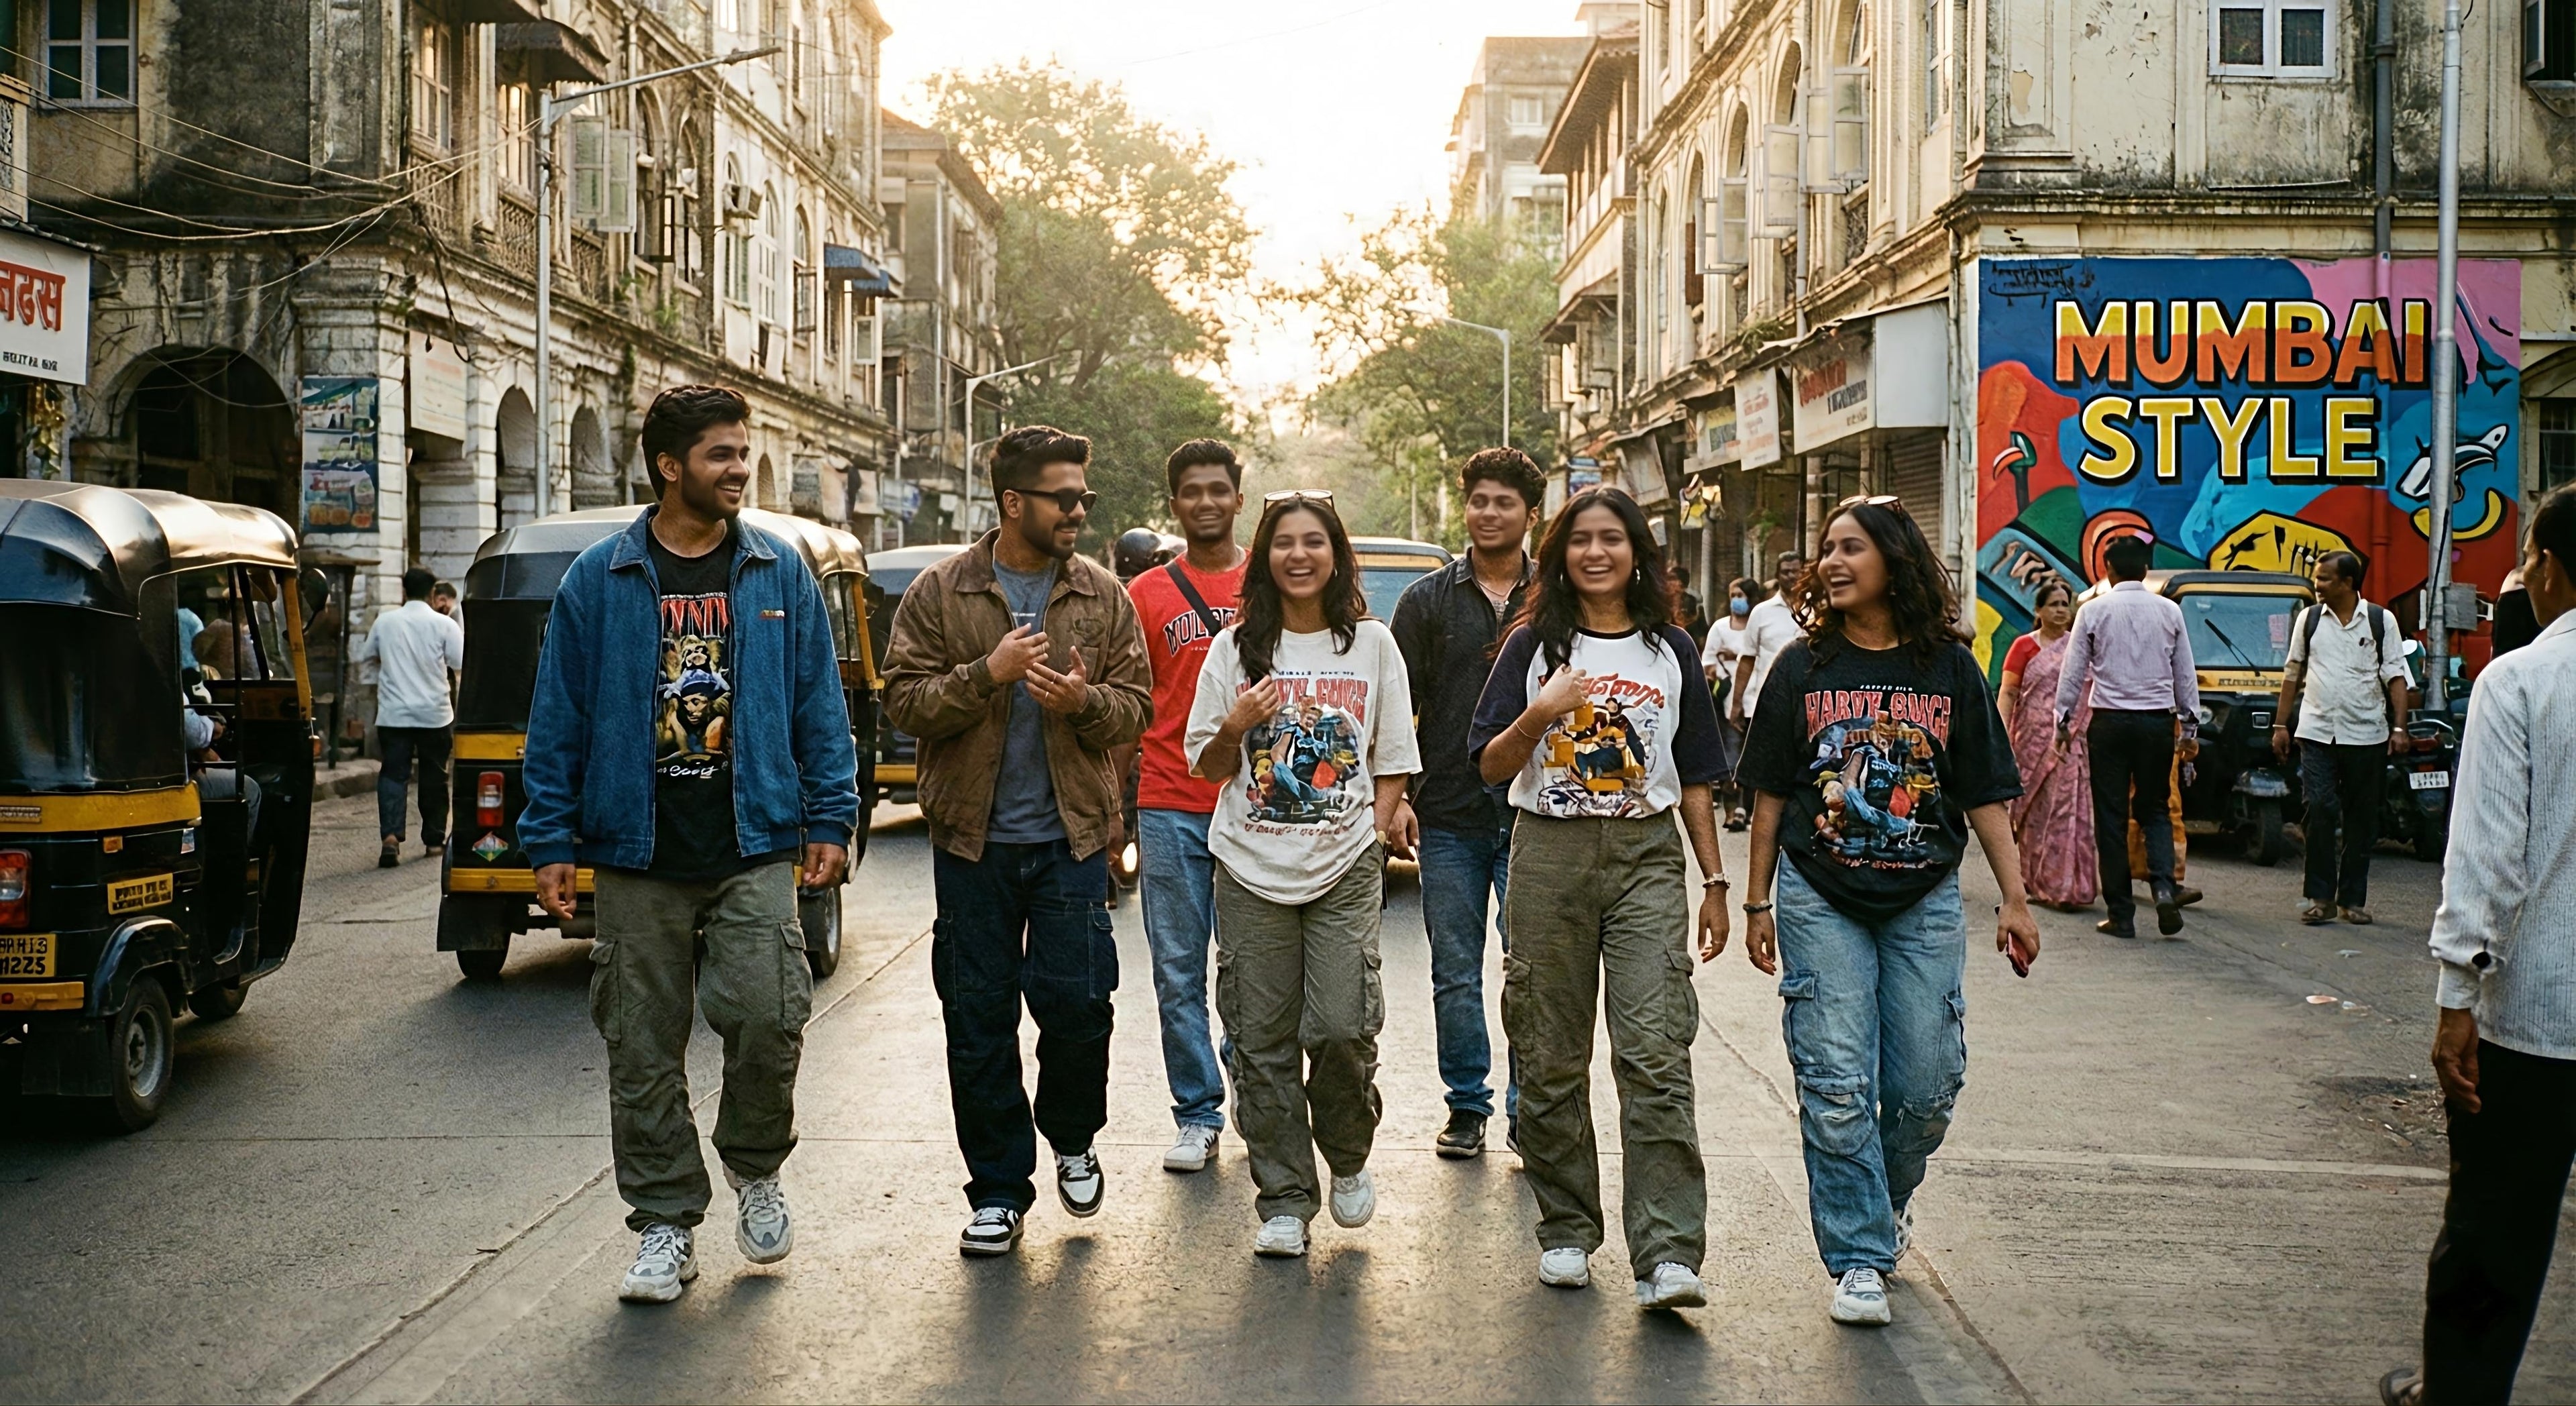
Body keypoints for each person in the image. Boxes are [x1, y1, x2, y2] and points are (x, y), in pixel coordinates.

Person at [519, 384, 858, 1304]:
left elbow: (818, 705)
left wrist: (830, 816)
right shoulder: (601, 577)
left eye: (743, 454)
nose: (739, 469)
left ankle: (754, 1165)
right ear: (670, 467)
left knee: (767, 1013)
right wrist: (549, 835)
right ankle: (666, 1223)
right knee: (640, 1045)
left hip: (751, 841)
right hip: (637, 849)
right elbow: (559, 718)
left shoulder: (776, 570)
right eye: (720, 455)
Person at [1737, 495, 2039, 1328]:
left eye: (1851, 548)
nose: (1832, 562)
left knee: (1925, 1085)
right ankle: (1860, 1252)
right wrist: (1756, 897)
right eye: (1826, 547)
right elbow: (1769, 793)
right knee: (1836, 1078)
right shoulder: (1802, 666)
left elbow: (1983, 791)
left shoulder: (1948, 668)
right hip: (1817, 893)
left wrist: (2015, 897)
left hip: (1923, 898)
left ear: (1894, 561)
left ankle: (1883, 1198)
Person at [882, 425, 1152, 1258]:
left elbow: (1137, 706)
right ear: (1013, 502)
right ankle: (998, 1188)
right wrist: (985, 675)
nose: (1077, 511)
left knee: (1079, 1007)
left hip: (1071, 839)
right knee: (977, 1016)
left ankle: (1072, 1135)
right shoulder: (942, 590)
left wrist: (1083, 704)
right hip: (973, 842)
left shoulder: (1103, 594)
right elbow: (901, 701)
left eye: (1085, 498)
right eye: (1063, 498)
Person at [1465, 486, 1730, 1310]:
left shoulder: (1672, 649)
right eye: (1579, 540)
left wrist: (1715, 881)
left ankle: (1668, 1252)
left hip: (1648, 857)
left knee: (1654, 1050)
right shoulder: (1529, 648)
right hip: (1548, 855)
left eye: (1612, 539)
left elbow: (1695, 776)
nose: (1595, 553)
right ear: (1559, 554)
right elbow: (1487, 765)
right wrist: (1540, 715)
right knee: (1548, 1052)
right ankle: (1569, 1228)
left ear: (1638, 552)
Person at [1183, 491, 1419, 1258]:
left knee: (1344, 1026)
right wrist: (1238, 724)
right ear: (1265, 555)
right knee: (1262, 1039)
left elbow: (1393, 760)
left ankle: (1347, 1153)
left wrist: (1376, 834)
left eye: (1314, 541)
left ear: (1335, 553)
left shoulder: (1374, 647)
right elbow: (1208, 766)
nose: (1298, 554)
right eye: (1283, 542)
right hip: (1249, 868)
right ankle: (1284, 1194)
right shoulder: (1234, 649)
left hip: (1345, 864)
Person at [2380, 486, 2576, 1406]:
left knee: (2495, 1228)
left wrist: (2457, 997)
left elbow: (2489, 856)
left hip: (2534, 1017)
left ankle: (2457, 1394)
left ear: (2549, 569)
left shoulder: (2523, 680)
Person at [1390, 447, 1542, 1158]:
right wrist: (1402, 797)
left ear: (1529, 515)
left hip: (1536, 812)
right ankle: (1468, 1105)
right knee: (1455, 969)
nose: (1488, 513)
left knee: (1530, 969)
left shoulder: (1556, 596)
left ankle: (1525, 1108)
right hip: (1448, 813)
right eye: (1478, 500)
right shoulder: (1426, 600)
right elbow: (1400, 710)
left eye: (1503, 502)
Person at [1124, 438, 1248, 1174]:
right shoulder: (1145, 595)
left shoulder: (1268, 586)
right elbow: (1133, 707)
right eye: (1191, 491)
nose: (1205, 502)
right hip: (1168, 800)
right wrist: (1115, 813)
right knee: (1177, 969)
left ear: (1238, 496)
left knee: (1251, 969)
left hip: (1254, 804)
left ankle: (1256, 1099)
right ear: (1174, 502)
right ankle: (1198, 1112)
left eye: (1217, 490)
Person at [2054, 535, 2198, 939]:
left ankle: (2121, 914)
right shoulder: (2169, 611)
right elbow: (2184, 673)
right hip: (2156, 723)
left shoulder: (2093, 611)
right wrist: (2189, 726)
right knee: (2155, 809)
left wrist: (2062, 723)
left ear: (2108, 569)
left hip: (2110, 724)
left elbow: (2074, 671)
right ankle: (2165, 889)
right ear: (2146, 569)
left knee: (2112, 817)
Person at [2269, 550, 2411, 926]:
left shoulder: (2381, 621)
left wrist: (2399, 728)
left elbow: (2396, 676)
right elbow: (2292, 672)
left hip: (2367, 734)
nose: (2318, 585)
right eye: (2318, 578)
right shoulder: (2310, 619)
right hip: (2316, 732)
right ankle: (2320, 898)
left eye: (2326, 579)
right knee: (2319, 807)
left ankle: (2352, 900)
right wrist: (2281, 726)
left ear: (2348, 583)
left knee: (2361, 819)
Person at [357, 567, 466, 869]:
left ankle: (391, 839)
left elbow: (367, 656)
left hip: (394, 714)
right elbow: (459, 660)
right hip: (435, 714)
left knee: (393, 774)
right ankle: (433, 841)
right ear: (433, 593)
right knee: (435, 775)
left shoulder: (385, 622)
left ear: (404, 591)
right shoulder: (443, 624)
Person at [2000, 580, 2097, 910]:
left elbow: (2090, 693)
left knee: (2066, 812)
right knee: (2031, 815)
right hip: (2029, 740)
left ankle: (2067, 886)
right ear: (2038, 611)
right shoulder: (2024, 647)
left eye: (2065, 604)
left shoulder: (2080, 647)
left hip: (2068, 741)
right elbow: (2010, 693)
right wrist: (2000, 734)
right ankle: (2033, 880)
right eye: (2053, 604)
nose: (2061, 610)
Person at [1699, 575, 1763, 829]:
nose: (1736, 601)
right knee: (1730, 758)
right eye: (1733, 596)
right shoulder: (1720, 628)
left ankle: (1745, 810)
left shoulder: (1758, 627)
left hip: (1758, 700)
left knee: (1753, 758)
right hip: (1729, 703)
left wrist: (1736, 655)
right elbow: (1708, 662)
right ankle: (1732, 811)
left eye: (1741, 596)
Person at [1673, 565, 1709, 648]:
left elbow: (1701, 634)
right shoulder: (1663, 601)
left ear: (1680, 583)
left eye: (1671, 579)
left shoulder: (1692, 602)